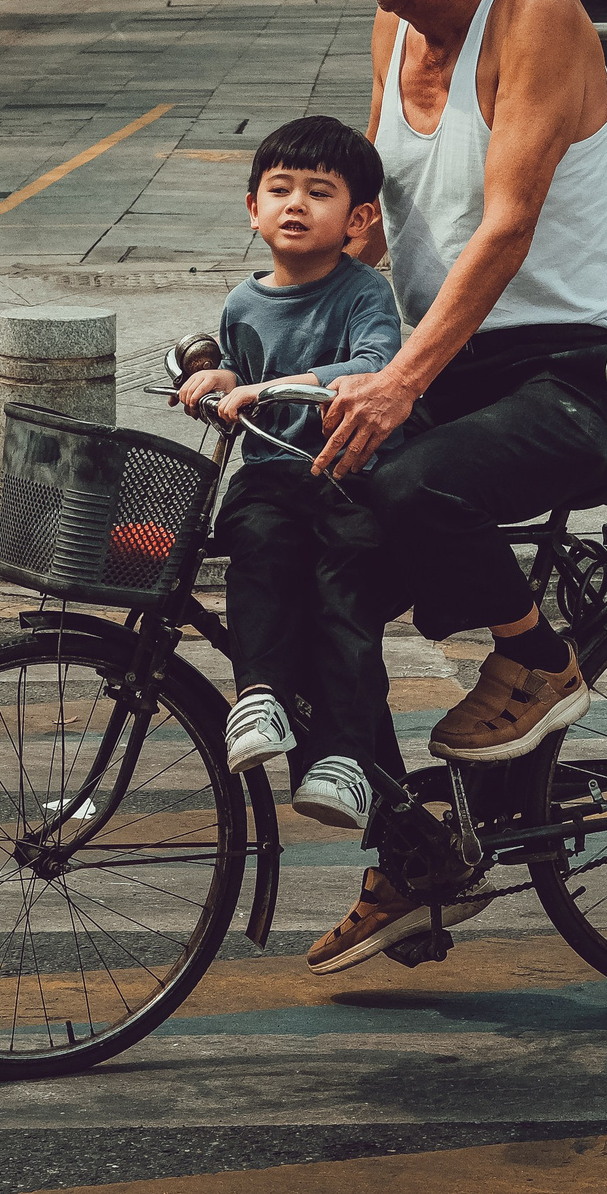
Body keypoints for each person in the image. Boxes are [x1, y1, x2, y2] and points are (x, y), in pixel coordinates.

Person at [299, 0, 607, 971]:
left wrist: (398, 383)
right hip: (458, 375)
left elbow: (504, 228)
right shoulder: (389, 33)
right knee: (314, 564)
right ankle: (415, 854)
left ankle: (535, 657)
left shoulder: (534, 12)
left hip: (578, 376)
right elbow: (377, 231)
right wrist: (286, 317)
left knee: (411, 483)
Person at [173, 115, 407, 835]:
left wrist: (277, 386)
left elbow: (375, 365)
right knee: (256, 554)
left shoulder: (362, 292)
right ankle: (260, 695)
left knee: (343, 598)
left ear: (358, 219)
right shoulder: (243, 302)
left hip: (346, 477)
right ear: (254, 208)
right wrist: (223, 377)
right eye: (279, 190)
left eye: (318, 192)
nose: (295, 204)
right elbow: (241, 370)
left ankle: (345, 757)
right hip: (272, 476)